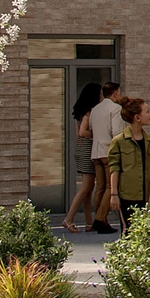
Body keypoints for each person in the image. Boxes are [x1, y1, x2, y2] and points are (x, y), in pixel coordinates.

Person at [105, 97, 150, 231]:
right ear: (137, 117)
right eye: (147, 112)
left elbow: (147, 166)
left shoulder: (149, 141)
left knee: (139, 231)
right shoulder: (119, 141)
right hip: (125, 195)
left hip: (143, 194)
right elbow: (114, 169)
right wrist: (114, 195)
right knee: (128, 231)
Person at [60, 80, 101, 234]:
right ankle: (69, 218)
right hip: (86, 150)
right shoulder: (89, 111)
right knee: (86, 187)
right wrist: (97, 135)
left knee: (89, 188)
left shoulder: (83, 110)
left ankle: (88, 221)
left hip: (83, 149)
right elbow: (82, 132)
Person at [86, 76, 125, 234]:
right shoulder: (115, 109)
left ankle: (101, 218)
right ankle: (100, 219)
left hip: (96, 151)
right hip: (109, 151)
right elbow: (116, 132)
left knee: (100, 187)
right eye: (119, 93)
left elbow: (90, 128)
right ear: (115, 94)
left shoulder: (95, 109)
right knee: (110, 186)